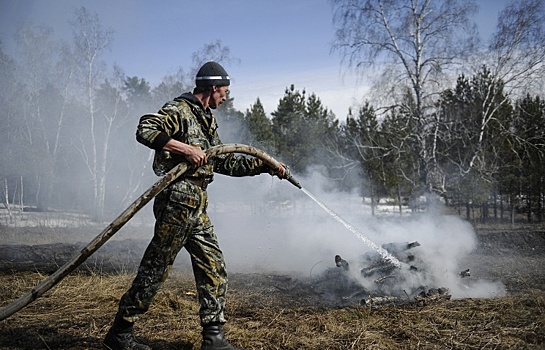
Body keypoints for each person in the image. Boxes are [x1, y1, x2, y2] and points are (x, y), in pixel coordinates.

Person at [103, 61, 286, 350]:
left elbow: (224, 159)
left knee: (213, 265)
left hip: (197, 203)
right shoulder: (179, 110)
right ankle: (120, 333)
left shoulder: (206, 119)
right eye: (225, 91)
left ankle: (214, 339)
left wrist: (264, 166)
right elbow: (145, 128)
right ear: (213, 88)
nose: (226, 97)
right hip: (176, 200)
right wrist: (184, 148)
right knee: (156, 268)